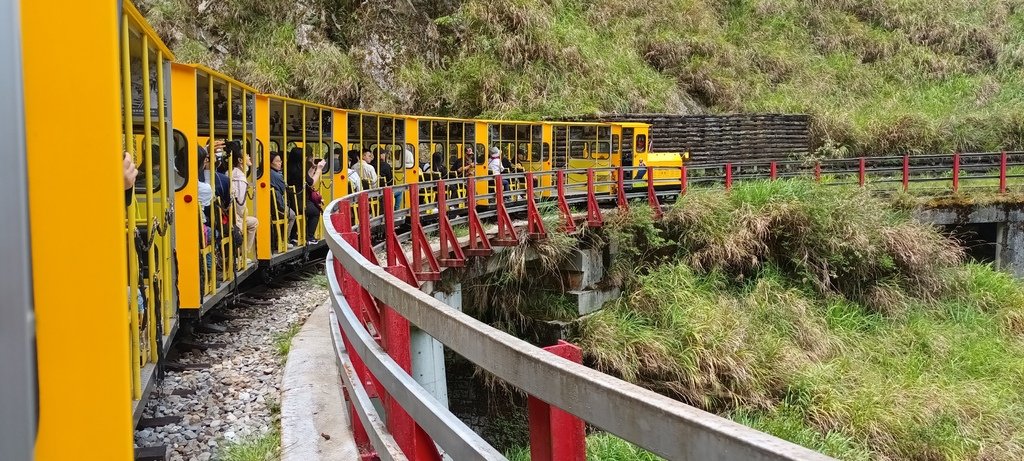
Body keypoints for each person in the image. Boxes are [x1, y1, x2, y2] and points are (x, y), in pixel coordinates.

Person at [228, 142, 258, 261]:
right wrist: (243, 216)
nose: (249, 157)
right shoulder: (240, 178)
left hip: (231, 214)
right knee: (254, 222)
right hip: (236, 217)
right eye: (246, 155)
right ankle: (242, 255)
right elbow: (240, 205)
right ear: (240, 160)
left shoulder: (231, 172)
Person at [269, 152, 296, 249]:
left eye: (280, 161)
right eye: (277, 161)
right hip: (277, 205)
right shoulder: (276, 175)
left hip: (273, 204)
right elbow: (284, 187)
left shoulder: (269, 172)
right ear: (270, 162)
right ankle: (284, 240)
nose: (280, 163)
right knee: (292, 215)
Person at [305, 157, 327, 243]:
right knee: (315, 211)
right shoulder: (299, 171)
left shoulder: (294, 168)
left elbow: (308, 179)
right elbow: (311, 182)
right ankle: (310, 236)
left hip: (296, 200)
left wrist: (313, 168)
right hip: (300, 201)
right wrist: (319, 169)